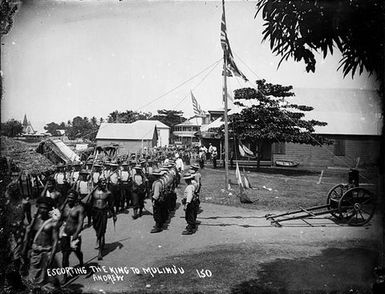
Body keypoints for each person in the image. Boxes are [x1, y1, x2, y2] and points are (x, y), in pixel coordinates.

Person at [23, 197, 61, 288]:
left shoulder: (53, 222)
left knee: (48, 280)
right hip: (35, 253)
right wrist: (26, 249)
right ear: (38, 207)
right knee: (33, 279)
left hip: (46, 253)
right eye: (41, 208)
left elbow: (55, 240)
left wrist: (52, 255)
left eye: (45, 208)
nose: (43, 210)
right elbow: (29, 236)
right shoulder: (35, 220)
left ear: (49, 209)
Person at [4, 181, 31, 292]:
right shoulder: (7, 202)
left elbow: (29, 219)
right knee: (10, 254)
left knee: (17, 254)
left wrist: (31, 230)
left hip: (20, 230)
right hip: (9, 231)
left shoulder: (25, 203)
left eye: (15, 190)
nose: (13, 192)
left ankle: (19, 272)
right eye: (11, 190)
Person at [89, 178, 116, 260]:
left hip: (103, 213)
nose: (104, 184)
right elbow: (89, 203)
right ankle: (101, 240)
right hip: (95, 213)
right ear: (99, 183)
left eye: (105, 182)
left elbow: (111, 205)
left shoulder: (108, 193)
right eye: (102, 182)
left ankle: (100, 252)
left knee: (102, 230)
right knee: (97, 230)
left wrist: (114, 214)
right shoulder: (93, 192)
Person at [60, 190, 85, 279]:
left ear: (75, 199)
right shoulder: (65, 207)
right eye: (68, 197)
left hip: (75, 234)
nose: (70, 199)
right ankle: (65, 276)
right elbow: (58, 214)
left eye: (72, 198)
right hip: (65, 234)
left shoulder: (80, 208)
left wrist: (76, 233)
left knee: (77, 251)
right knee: (65, 255)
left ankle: (81, 261)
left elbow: (80, 222)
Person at [150, 169, 168, 233]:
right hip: (161, 199)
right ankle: (160, 225)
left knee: (157, 213)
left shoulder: (157, 183)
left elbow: (156, 194)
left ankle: (158, 227)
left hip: (157, 200)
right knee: (160, 212)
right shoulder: (161, 181)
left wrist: (154, 200)